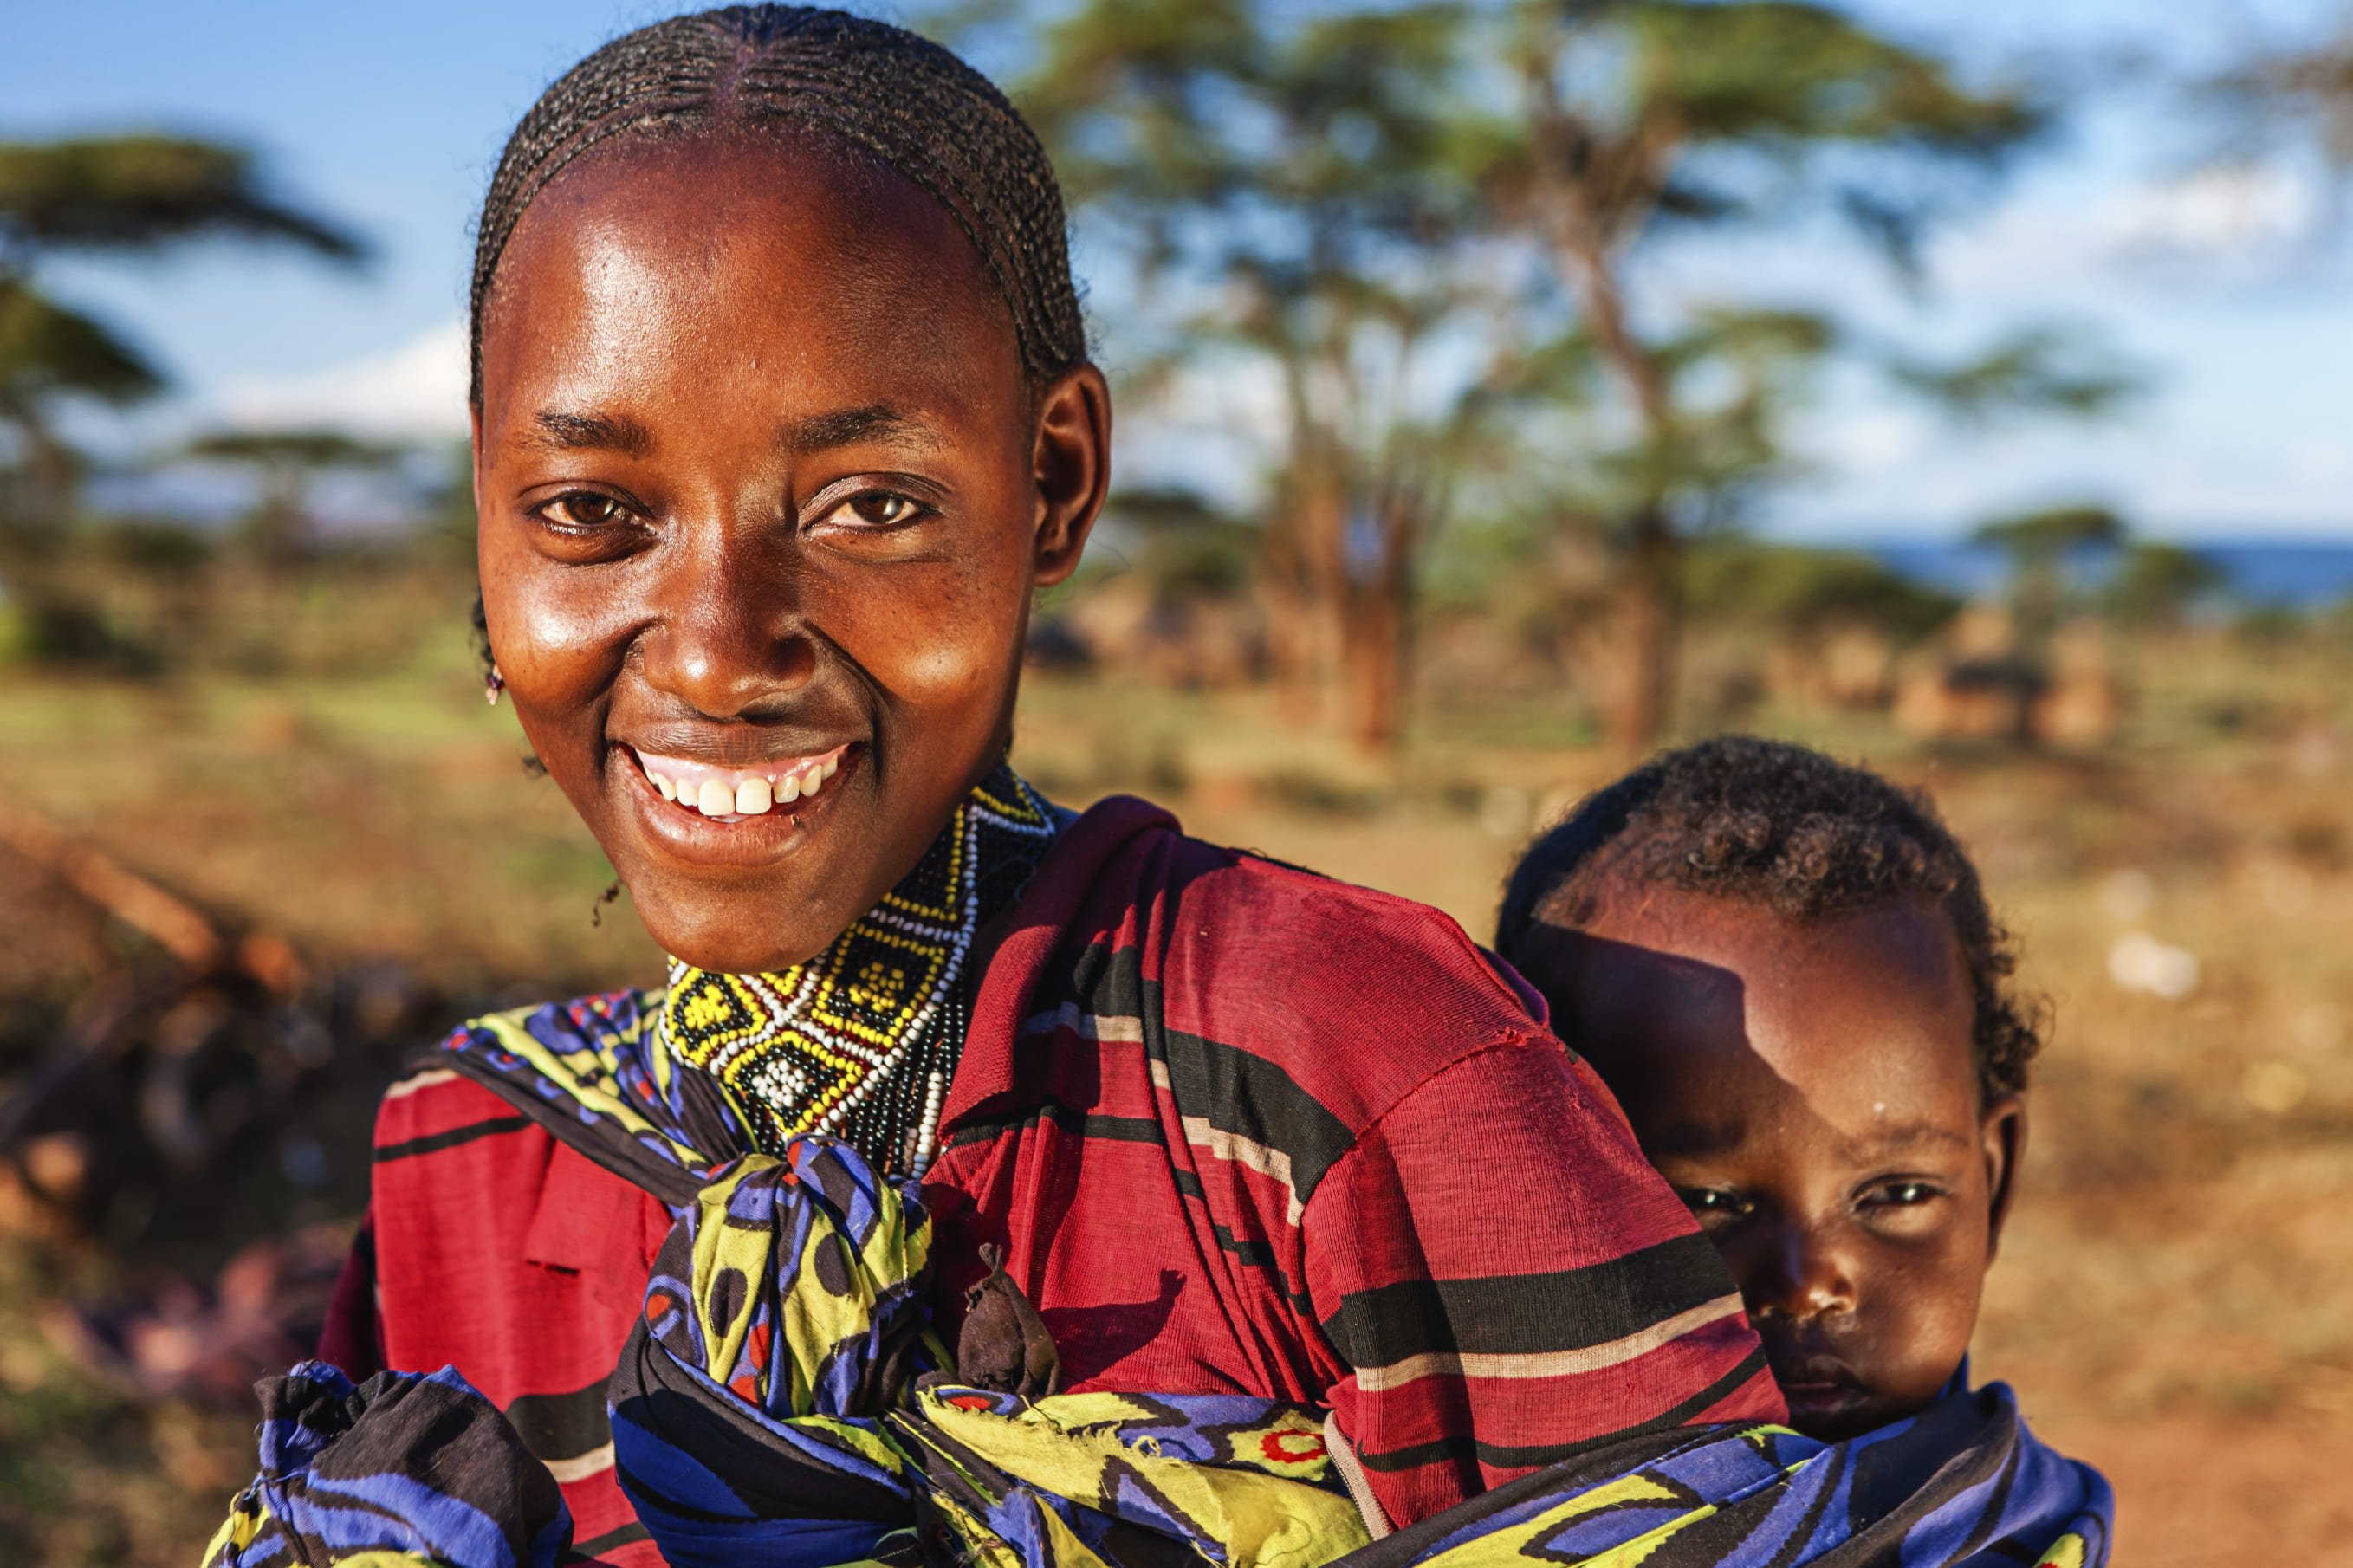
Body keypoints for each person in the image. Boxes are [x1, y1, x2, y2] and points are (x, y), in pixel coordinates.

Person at [312, 10, 1779, 1562]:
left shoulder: (1330, 1064)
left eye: (872, 505)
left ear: (1055, 479)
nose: (722, 653)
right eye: (589, 510)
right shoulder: (464, 1153)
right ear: (484, 495)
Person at [1494, 735, 2052, 1442]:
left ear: (1992, 1187)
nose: (1806, 1284)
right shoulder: (1434, 1489)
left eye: (1899, 1193)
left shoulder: (2025, 1511)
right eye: (1705, 1202)